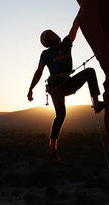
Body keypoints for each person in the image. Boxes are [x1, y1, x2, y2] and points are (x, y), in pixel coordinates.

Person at [27, 13, 104, 164]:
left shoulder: (66, 43)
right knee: (61, 115)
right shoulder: (46, 54)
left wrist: (82, 11)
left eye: (53, 32)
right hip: (55, 87)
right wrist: (31, 89)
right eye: (51, 34)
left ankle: (96, 103)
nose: (55, 34)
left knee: (90, 72)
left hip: (68, 83)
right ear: (48, 41)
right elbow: (39, 71)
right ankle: (52, 147)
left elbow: (75, 26)